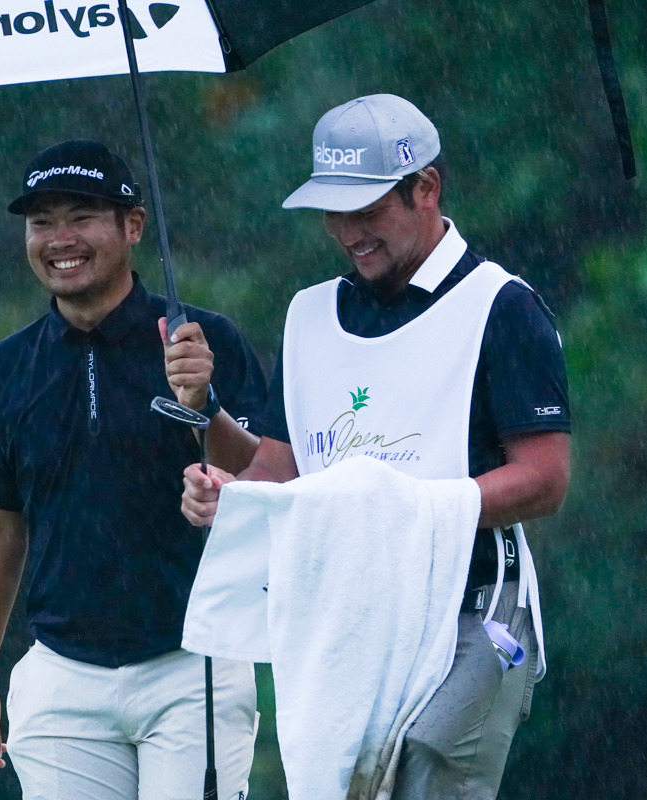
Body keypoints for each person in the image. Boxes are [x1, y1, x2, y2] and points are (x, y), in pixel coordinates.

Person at [174, 94, 571, 799]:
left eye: (368, 209)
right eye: (334, 210)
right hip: (346, 620)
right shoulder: (310, 314)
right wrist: (227, 480)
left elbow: (544, 480)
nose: (347, 231)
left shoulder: (503, 306)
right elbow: (287, 471)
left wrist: (400, 508)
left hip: (474, 608)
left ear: (427, 188)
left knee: (427, 766)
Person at [0, 139, 267, 799]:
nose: (59, 239)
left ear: (133, 226)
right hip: (63, 677)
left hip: (195, 663)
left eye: (82, 216)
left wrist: (203, 406)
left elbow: (276, 481)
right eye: (41, 222)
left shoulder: (204, 343)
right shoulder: (9, 370)